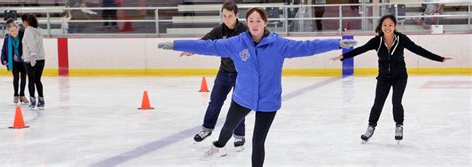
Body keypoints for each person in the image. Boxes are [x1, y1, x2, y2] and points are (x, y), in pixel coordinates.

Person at [159, 7, 357, 167]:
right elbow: (208, 46)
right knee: (228, 126)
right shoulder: (237, 43)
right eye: (251, 21)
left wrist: (337, 43)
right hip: (243, 97)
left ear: (265, 23)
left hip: (268, 101)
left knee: (257, 142)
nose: (254, 24)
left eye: (258, 21)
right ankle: (219, 145)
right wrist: (177, 44)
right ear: (247, 23)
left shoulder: (278, 44)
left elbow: (307, 46)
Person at [331, 15, 451, 143]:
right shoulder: (376, 41)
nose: (387, 27)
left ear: (395, 26)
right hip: (383, 78)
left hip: (400, 77)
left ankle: (399, 126)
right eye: (385, 25)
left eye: (390, 25)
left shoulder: (402, 39)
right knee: (378, 104)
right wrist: (343, 57)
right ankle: (371, 127)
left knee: (396, 102)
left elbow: (418, 50)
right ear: (381, 27)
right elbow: (360, 50)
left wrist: (439, 58)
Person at [181, 1, 249, 150]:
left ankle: (239, 135)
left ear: (236, 15)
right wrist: (191, 49)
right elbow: (204, 42)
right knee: (215, 102)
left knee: (238, 106)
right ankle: (207, 129)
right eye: (224, 16)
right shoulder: (219, 30)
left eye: (230, 16)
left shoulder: (245, 30)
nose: (226, 19)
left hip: (241, 75)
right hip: (224, 72)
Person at [21, 14, 47, 110]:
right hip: (41, 58)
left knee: (31, 80)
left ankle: (33, 101)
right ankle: (41, 100)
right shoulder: (39, 30)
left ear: (26, 21)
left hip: (32, 59)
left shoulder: (28, 30)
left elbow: (31, 43)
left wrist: (32, 55)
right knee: (38, 80)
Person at [0, 19, 28, 104]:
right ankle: (15, 95)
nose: (14, 32)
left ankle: (22, 95)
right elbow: (4, 50)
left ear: (17, 29)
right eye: (12, 31)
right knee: (16, 77)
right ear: (9, 31)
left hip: (22, 60)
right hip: (13, 61)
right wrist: (4, 60)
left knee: (23, 77)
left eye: (15, 30)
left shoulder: (22, 36)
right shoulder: (7, 39)